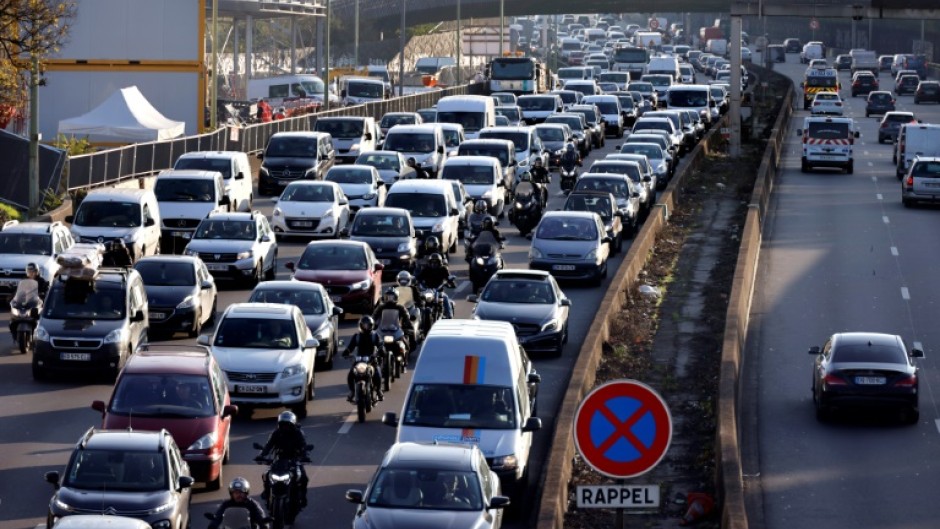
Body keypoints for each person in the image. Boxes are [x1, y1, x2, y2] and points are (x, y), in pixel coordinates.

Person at [256, 411, 310, 508]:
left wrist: (305, 455)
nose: (285, 427)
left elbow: (303, 445)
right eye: (283, 424)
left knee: (303, 478)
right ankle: (266, 491)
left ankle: (303, 497)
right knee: (266, 475)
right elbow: (269, 445)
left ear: (292, 424)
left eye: (287, 425)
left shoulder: (298, 433)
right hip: (279, 460)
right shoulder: (276, 433)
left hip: (294, 461)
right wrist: (262, 455)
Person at [342, 316, 385, 401]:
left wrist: (381, 351)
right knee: (351, 374)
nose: (366, 327)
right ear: (361, 325)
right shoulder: (356, 336)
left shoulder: (375, 335)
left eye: (368, 325)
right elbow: (350, 347)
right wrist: (346, 352)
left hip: (371, 360)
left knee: (378, 373)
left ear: (371, 325)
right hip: (359, 360)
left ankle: (379, 391)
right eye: (364, 325)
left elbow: (380, 345)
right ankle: (352, 392)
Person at [415, 253, 455, 319]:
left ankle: (449, 315)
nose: (434, 264)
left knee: (445, 298)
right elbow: (419, 278)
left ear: (440, 263)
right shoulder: (426, 269)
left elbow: (448, 277)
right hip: (428, 290)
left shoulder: (443, 269)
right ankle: (419, 316)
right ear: (429, 262)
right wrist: (415, 281)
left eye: (436, 262)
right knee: (420, 300)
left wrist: (451, 282)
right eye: (432, 262)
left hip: (439, 291)